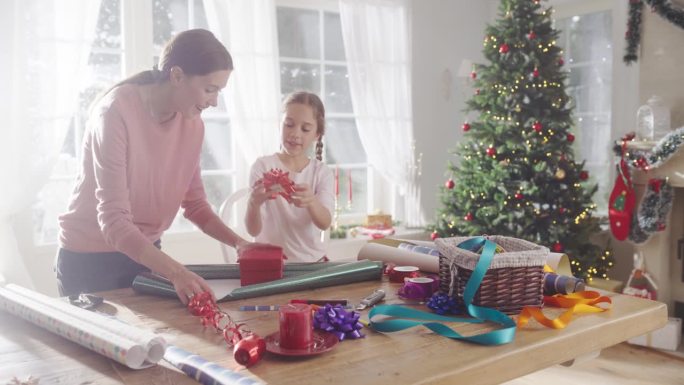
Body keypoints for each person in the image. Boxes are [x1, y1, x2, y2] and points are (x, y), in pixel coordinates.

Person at [56, 29, 249, 304]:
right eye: (210, 89)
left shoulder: (192, 124)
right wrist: (177, 273)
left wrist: (240, 243)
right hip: (89, 261)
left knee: (153, 344)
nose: (214, 101)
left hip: (145, 255)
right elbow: (114, 222)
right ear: (177, 75)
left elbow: (195, 205)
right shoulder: (115, 112)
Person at [244, 92, 334, 262]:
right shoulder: (262, 167)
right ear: (280, 125)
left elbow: (325, 223)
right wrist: (253, 203)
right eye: (289, 125)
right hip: (271, 263)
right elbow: (253, 231)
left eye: (305, 129)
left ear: (316, 135)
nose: (295, 134)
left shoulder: (322, 172)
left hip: (312, 262)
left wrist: (312, 201)